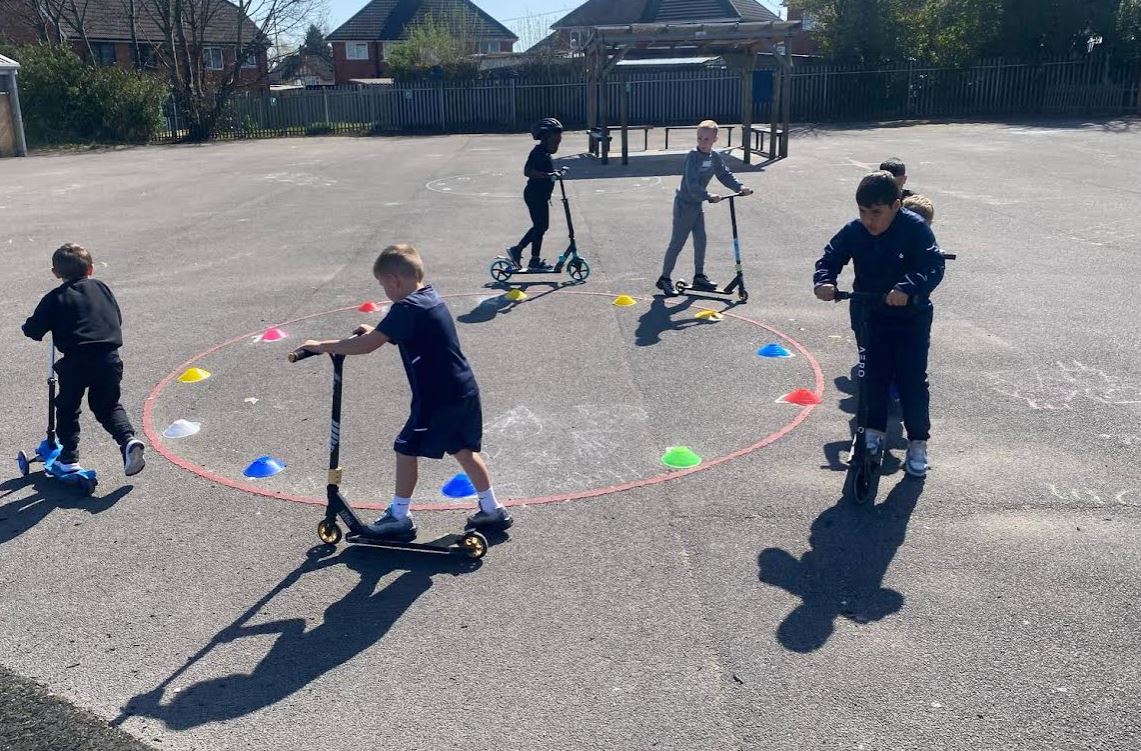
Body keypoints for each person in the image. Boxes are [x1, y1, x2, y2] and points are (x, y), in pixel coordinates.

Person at [299, 244, 511, 537]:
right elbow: (410, 334)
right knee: (463, 450)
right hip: (462, 389)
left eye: (383, 285)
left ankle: (399, 516)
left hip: (436, 398)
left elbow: (366, 345)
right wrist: (378, 329)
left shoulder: (406, 308)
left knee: (405, 447)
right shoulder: (429, 298)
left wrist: (324, 346)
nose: (385, 291)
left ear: (393, 280)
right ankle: (492, 509)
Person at [813, 171, 945, 478]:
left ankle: (917, 442)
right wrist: (825, 281)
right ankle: (873, 434)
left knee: (912, 380)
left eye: (876, 213)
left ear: (896, 206)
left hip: (911, 317)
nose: (869, 220)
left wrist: (907, 288)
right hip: (871, 312)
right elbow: (830, 257)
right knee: (873, 376)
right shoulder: (855, 230)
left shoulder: (914, 230)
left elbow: (933, 266)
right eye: (862, 212)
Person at [21, 243, 146, 476]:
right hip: (108, 358)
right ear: (90, 269)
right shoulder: (102, 288)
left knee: (68, 408)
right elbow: (116, 317)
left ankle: (68, 458)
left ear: (56, 273)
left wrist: (28, 328)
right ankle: (128, 441)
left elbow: (34, 329)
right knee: (107, 405)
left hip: (76, 361)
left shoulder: (55, 298)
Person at [656, 120, 754, 296]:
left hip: (697, 206)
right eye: (700, 138)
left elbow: (724, 174)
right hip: (684, 205)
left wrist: (739, 187)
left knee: (701, 241)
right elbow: (691, 183)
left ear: (715, 139)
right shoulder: (692, 157)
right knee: (677, 243)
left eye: (707, 139)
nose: (702, 142)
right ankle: (664, 279)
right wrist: (708, 196)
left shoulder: (713, 157)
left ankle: (699, 276)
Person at [505, 117, 565, 271]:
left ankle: (534, 260)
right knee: (540, 226)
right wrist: (547, 175)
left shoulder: (544, 153)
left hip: (540, 195)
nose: (558, 141)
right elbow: (528, 171)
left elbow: (547, 171)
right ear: (545, 137)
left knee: (541, 227)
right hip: (534, 194)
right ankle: (517, 250)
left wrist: (554, 173)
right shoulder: (537, 152)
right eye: (555, 138)